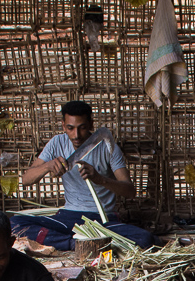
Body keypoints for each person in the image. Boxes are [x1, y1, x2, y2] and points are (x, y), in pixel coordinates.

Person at [9, 100, 158, 252]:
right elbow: (26, 180)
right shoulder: (57, 143)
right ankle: (74, 244)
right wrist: (47, 166)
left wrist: (100, 179)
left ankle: (75, 241)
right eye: (70, 128)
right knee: (14, 224)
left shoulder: (106, 145)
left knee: (145, 239)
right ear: (63, 126)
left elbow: (130, 191)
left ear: (91, 124)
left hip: (102, 221)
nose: (76, 135)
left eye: (82, 128)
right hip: (67, 219)